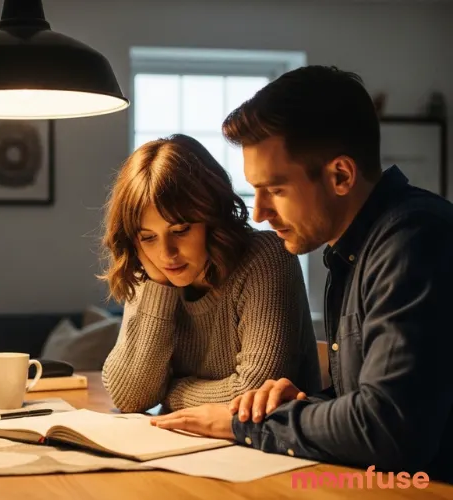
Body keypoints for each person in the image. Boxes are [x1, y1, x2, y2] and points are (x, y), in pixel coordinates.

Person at [149, 66, 453, 483]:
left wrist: (248, 425)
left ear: (341, 175)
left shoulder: (412, 241)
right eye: (254, 190)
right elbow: (370, 398)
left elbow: (389, 427)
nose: (258, 213)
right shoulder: (351, 252)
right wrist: (304, 405)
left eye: (274, 189)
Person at [99, 134, 321, 413]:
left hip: (268, 449)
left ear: (212, 217)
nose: (166, 253)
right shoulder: (154, 270)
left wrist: (170, 392)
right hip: (182, 445)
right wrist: (158, 284)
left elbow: (253, 392)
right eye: (148, 237)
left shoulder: (266, 258)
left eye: (180, 231)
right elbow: (130, 398)